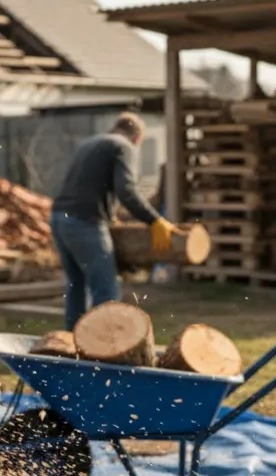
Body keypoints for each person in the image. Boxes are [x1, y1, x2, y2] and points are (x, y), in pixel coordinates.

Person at [49, 112, 183, 330]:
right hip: (85, 222)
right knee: (106, 291)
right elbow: (126, 189)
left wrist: (110, 215)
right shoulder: (124, 146)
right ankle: (105, 348)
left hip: (59, 218)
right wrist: (154, 220)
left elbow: (88, 185)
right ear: (137, 138)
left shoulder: (90, 143)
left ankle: (72, 343)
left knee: (77, 286)